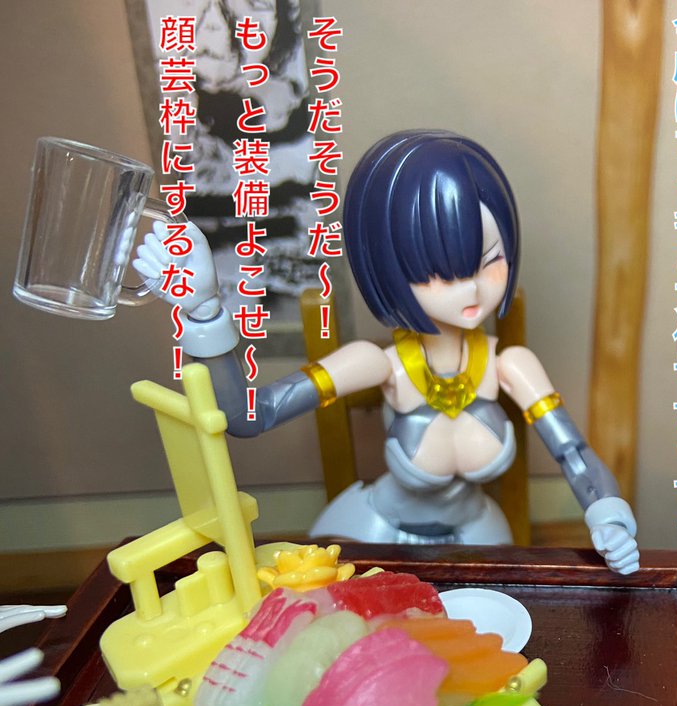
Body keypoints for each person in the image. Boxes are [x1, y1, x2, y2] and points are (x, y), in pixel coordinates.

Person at [134, 130, 639, 574]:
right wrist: (206, 314)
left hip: (479, 539)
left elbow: (574, 454)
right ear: (387, 268)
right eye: (438, 272)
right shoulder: (378, 364)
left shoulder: (510, 365)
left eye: (489, 261)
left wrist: (607, 515)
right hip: (374, 538)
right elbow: (248, 416)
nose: (471, 289)